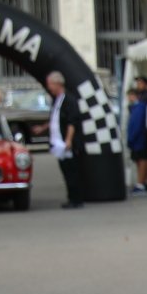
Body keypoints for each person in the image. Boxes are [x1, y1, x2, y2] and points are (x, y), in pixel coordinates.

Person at [46, 71, 84, 210]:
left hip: (66, 143)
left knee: (72, 170)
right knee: (65, 170)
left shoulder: (69, 100)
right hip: (57, 142)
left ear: (58, 84)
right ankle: (71, 197)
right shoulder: (57, 100)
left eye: (50, 84)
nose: (49, 87)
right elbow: (56, 118)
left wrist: (69, 139)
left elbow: (72, 122)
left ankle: (76, 198)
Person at [127, 76, 147, 194]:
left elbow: (137, 124)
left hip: (139, 138)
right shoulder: (135, 107)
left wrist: (131, 137)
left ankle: (142, 183)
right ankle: (142, 182)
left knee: (142, 160)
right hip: (138, 138)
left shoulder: (140, 106)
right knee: (139, 160)